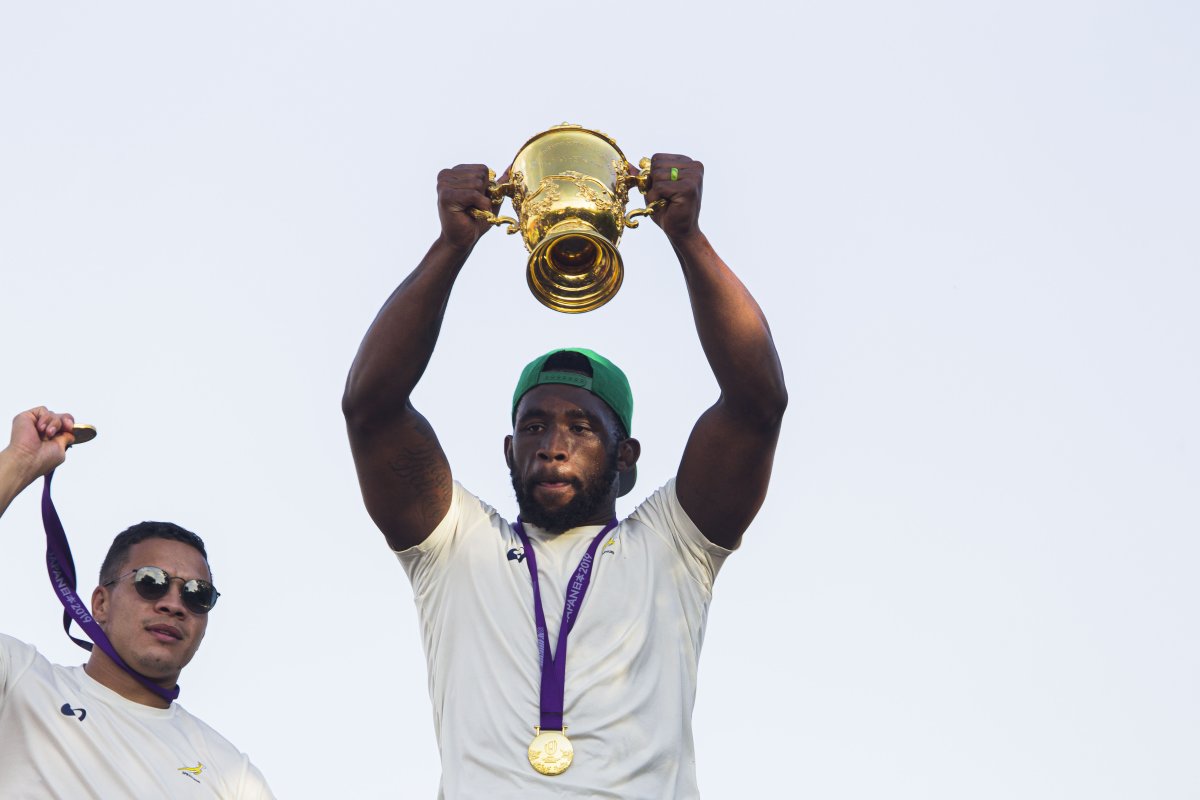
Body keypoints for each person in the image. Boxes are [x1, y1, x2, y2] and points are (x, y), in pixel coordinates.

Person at [343, 154, 787, 798]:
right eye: (534, 427)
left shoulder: (672, 546)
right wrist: (450, 248)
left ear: (625, 457)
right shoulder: (456, 547)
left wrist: (688, 240)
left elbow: (756, 405)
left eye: (580, 429)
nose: (552, 446)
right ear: (507, 449)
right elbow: (371, 409)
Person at [0, 406, 275, 798]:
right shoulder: (19, 679)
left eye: (198, 595)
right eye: (151, 582)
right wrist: (20, 461)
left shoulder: (233, 775)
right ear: (100, 603)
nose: (174, 603)